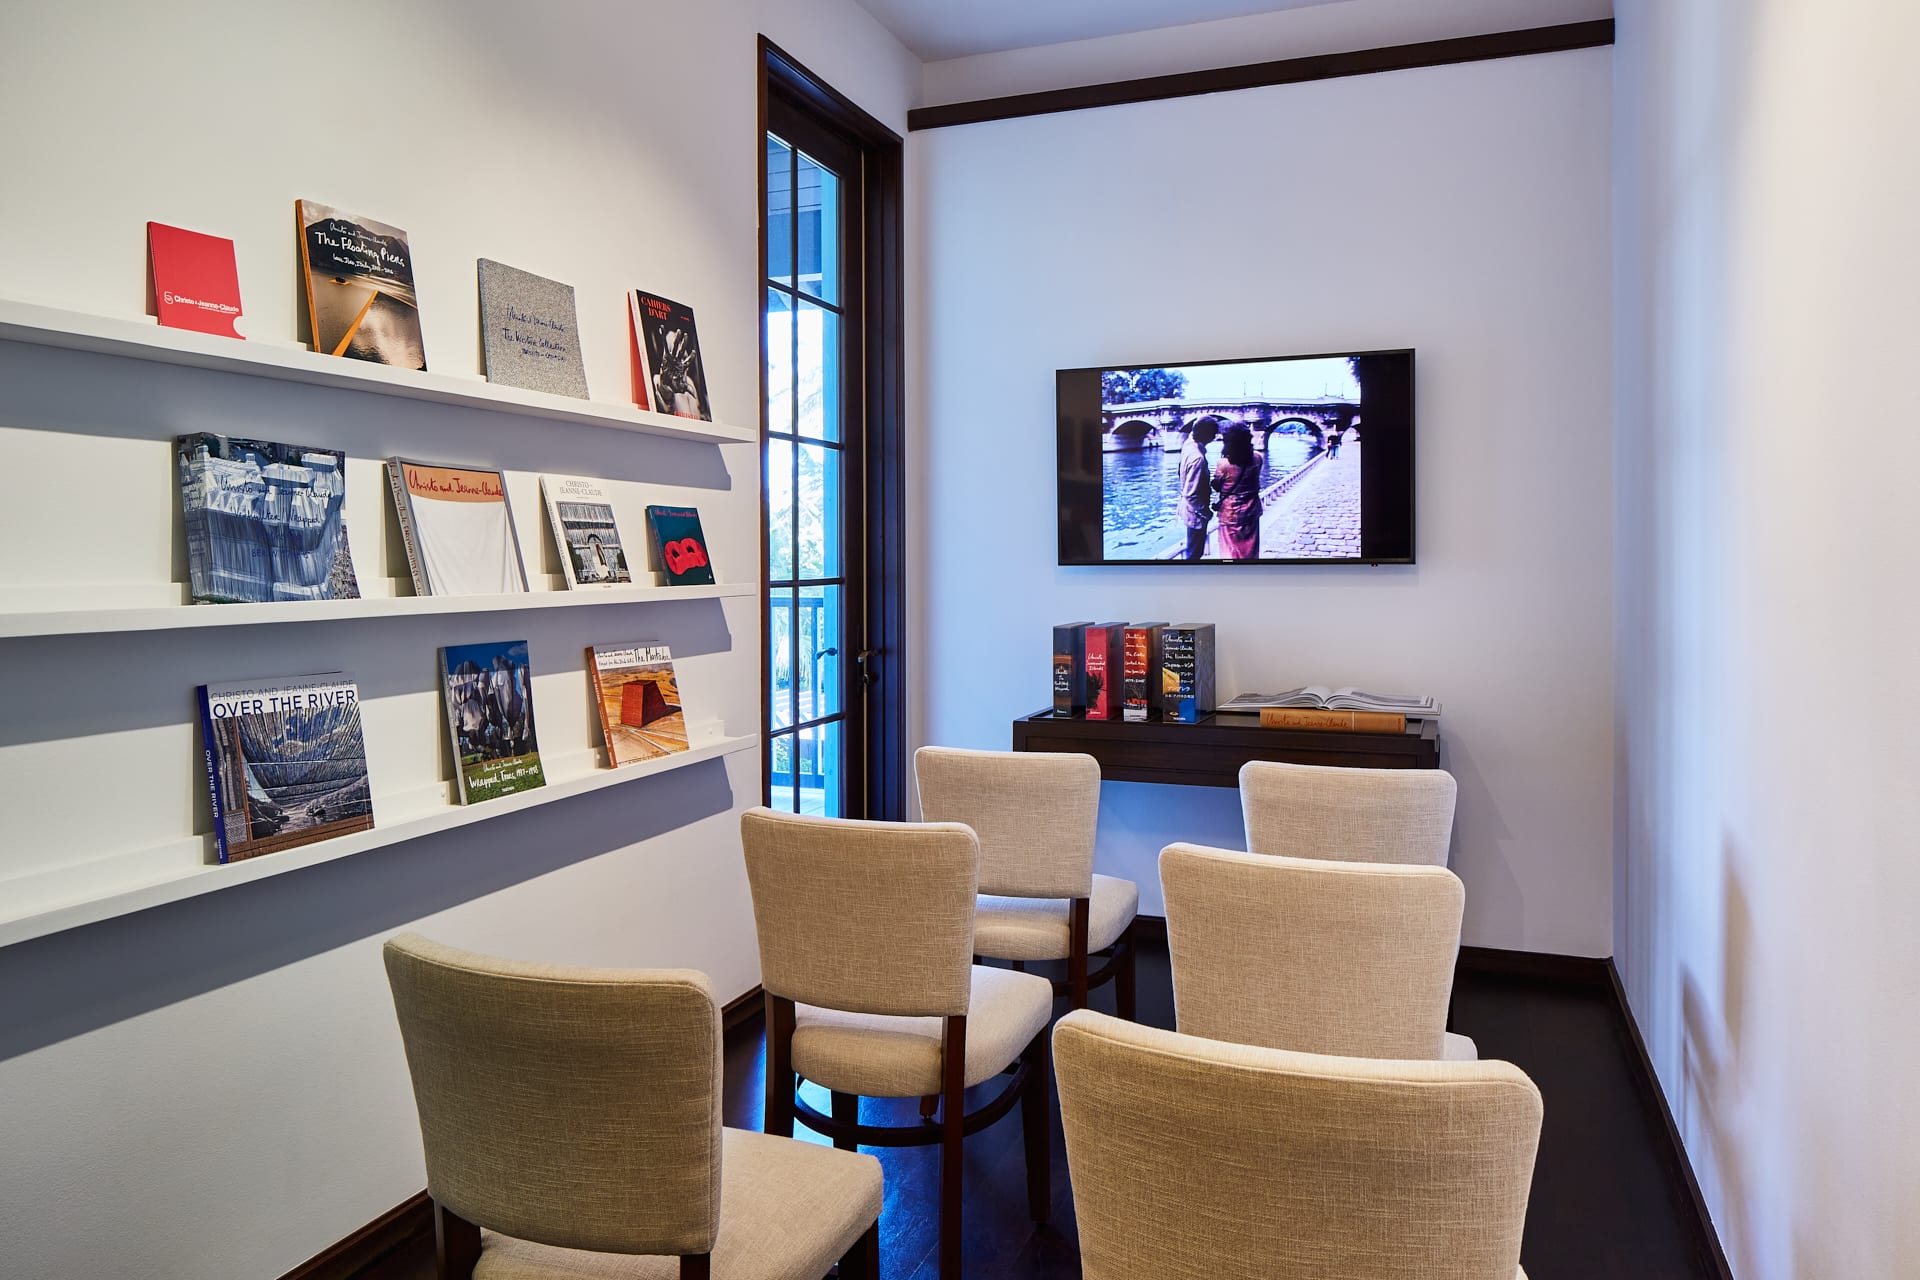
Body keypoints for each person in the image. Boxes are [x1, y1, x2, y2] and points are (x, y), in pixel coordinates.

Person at [1211, 423, 1263, 561]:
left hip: (1230, 514)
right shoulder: (1257, 458)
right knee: (1250, 548)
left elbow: (1217, 486)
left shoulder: (1223, 464)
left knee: (1229, 549)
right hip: (1252, 510)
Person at [1178, 417, 1219, 559]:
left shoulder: (1188, 445)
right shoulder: (1198, 459)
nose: (1214, 437)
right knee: (1195, 553)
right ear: (1208, 435)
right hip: (1195, 513)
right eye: (1213, 434)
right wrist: (1205, 513)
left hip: (1187, 509)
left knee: (1192, 549)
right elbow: (1191, 495)